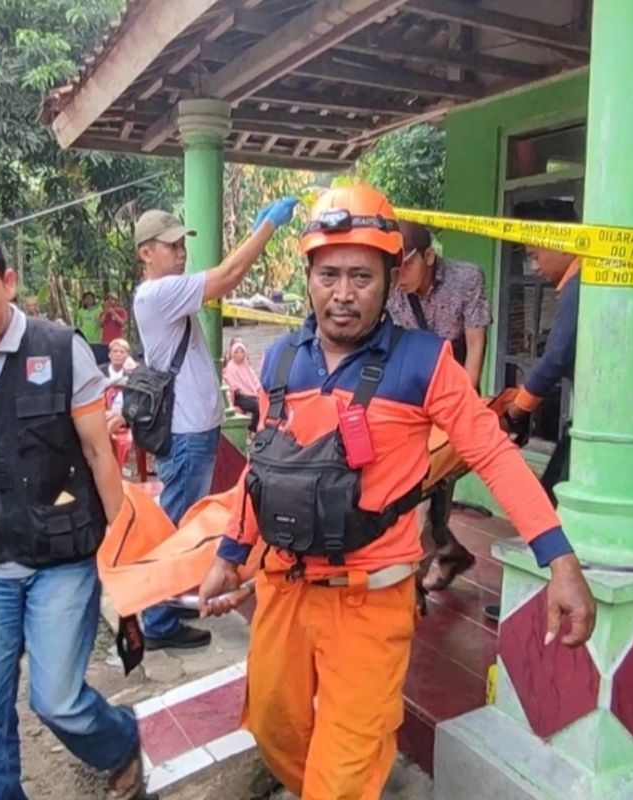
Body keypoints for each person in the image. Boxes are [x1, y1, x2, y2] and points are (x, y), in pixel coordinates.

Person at [197, 186, 595, 800]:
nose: (344, 291)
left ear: (390, 278)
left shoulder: (424, 363)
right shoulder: (280, 362)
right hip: (282, 590)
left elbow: (491, 453)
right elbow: (261, 471)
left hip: (368, 601)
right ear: (308, 277)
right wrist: (229, 554)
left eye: (362, 274)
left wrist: (560, 560)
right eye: (329, 274)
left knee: (345, 772)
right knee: (276, 730)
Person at [0, 227, 149, 800]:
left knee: (58, 700)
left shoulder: (59, 349)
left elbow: (98, 452)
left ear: (9, 282)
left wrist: (125, 556)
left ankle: (121, 744)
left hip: (62, 556)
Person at [131, 198, 298, 650]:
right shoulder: (157, 294)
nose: (180, 252)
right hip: (186, 435)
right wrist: (266, 228)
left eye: (182, 244)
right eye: (170, 245)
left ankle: (158, 610)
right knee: (176, 529)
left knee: (178, 523)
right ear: (146, 252)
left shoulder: (166, 293)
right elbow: (226, 277)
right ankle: (158, 620)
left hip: (191, 431)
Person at [486, 199, 581, 622]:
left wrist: (519, 409)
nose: (535, 264)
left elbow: (556, 358)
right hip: (587, 418)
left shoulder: (584, 283)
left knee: (544, 512)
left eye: (535, 252)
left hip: (595, 425)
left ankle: (533, 608)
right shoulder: (582, 282)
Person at [388, 221, 493, 593]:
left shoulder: (467, 279)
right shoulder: (392, 289)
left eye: (407, 265)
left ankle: (435, 557)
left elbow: (477, 342)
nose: (399, 277)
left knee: (437, 477)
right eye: (394, 267)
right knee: (418, 480)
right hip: (416, 389)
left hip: (458, 382)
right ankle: (445, 550)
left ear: (429, 256)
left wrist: (465, 401)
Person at [102, 338, 136, 469]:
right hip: (103, 412)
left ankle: (118, 466)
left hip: (124, 414)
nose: (118, 354)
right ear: (109, 354)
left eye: (122, 352)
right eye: (115, 351)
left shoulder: (132, 375)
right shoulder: (100, 373)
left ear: (126, 355)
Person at [222, 338, 262, 431]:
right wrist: (252, 395)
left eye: (242, 352)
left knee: (264, 402)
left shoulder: (246, 365)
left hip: (252, 395)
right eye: (236, 352)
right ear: (232, 354)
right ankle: (253, 429)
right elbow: (236, 389)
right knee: (257, 406)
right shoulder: (230, 368)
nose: (240, 355)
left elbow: (255, 380)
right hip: (240, 397)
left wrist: (259, 390)